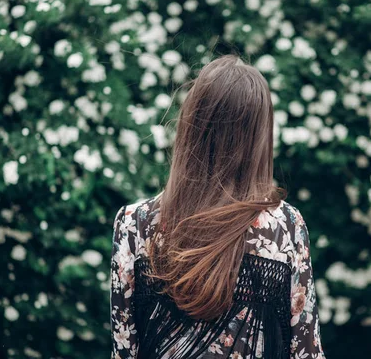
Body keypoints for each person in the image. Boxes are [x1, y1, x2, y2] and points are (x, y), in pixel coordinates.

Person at [110, 54, 326, 358]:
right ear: (258, 135)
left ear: (192, 126)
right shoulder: (284, 226)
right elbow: (305, 352)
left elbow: (124, 351)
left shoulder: (134, 224)